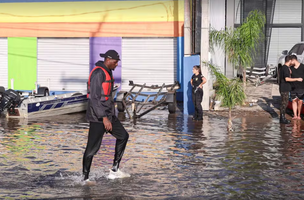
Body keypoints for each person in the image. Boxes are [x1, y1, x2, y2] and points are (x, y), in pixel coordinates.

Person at [83, 50, 130, 181]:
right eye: (115, 62)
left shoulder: (108, 71)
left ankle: (115, 169)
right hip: (97, 117)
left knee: (123, 136)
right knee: (92, 149)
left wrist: (109, 116)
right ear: (108, 60)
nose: (116, 65)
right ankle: (85, 178)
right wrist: (104, 118)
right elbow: (95, 98)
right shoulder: (98, 73)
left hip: (108, 115)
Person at [279, 55, 303, 124]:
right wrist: (297, 79)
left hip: (285, 87)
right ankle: (282, 118)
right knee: (285, 103)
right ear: (290, 61)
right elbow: (286, 78)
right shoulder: (286, 68)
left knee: (285, 103)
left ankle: (283, 118)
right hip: (285, 88)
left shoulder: (284, 67)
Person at [290, 54, 304, 120]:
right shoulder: (291, 68)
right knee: (294, 101)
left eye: (291, 61)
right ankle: (295, 115)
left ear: (294, 60)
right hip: (293, 87)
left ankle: (299, 115)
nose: (290, 63)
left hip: (301, 87)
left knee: (300, 101)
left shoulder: (302, 67)